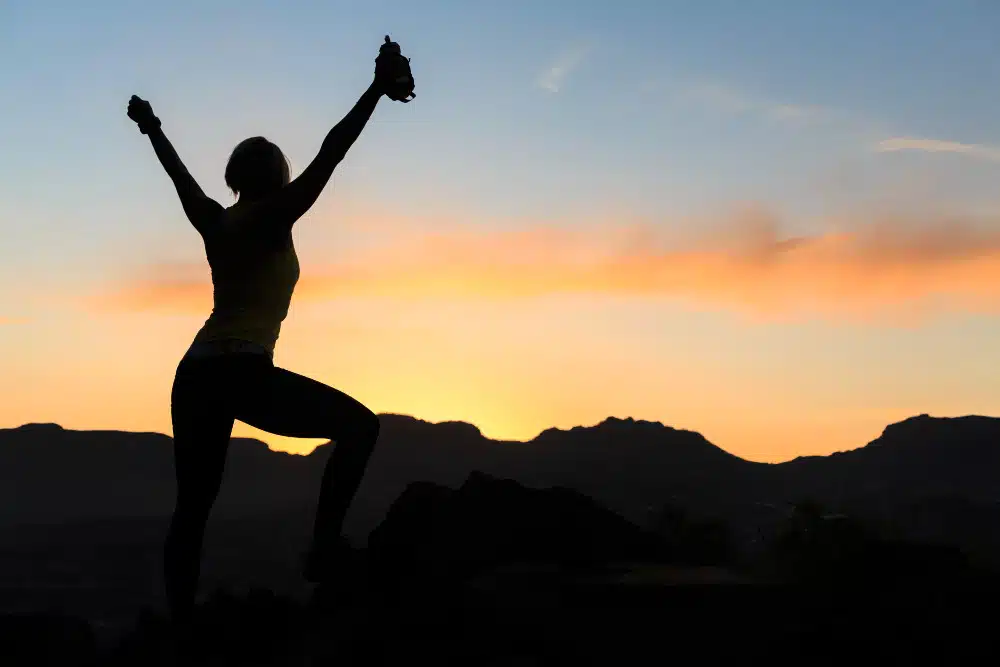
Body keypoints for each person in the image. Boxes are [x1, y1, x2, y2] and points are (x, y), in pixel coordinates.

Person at [127, 39, 414, 624]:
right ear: (279, 178)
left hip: (196, 373)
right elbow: (332, 152)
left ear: (235, 176)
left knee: (193, 509)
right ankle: (323, 550)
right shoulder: (275, 215)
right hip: (240, 370)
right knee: (359, 428)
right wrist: (376, 91)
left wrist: (152, 127)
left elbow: (179, 177)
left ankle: (181, 627)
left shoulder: (216, 219)